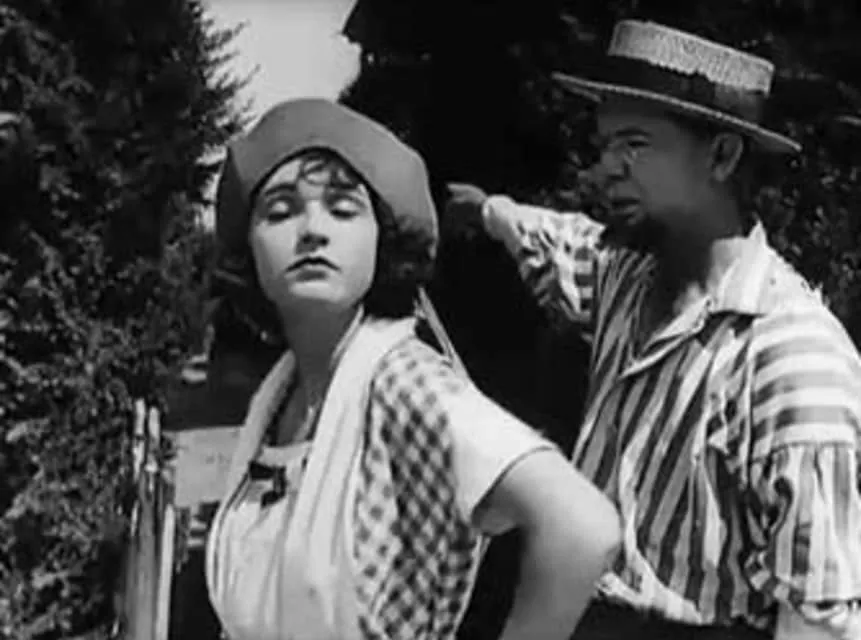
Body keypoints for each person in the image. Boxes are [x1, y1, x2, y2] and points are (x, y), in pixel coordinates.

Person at [446, 19, 861, 640]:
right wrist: (487, 210)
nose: (603, 170)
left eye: (634, 144)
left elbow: (820, 618)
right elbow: (553, 239)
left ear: (722, 156)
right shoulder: (625, 276)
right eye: (603, 145)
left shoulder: (793, 357)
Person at [203, 97, 621, 640]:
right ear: (249, 250)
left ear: (383, 239)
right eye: (280, 212)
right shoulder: (278, 398)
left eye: (343, 209)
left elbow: (582, 526)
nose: (312, 231)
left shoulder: (402, 383)